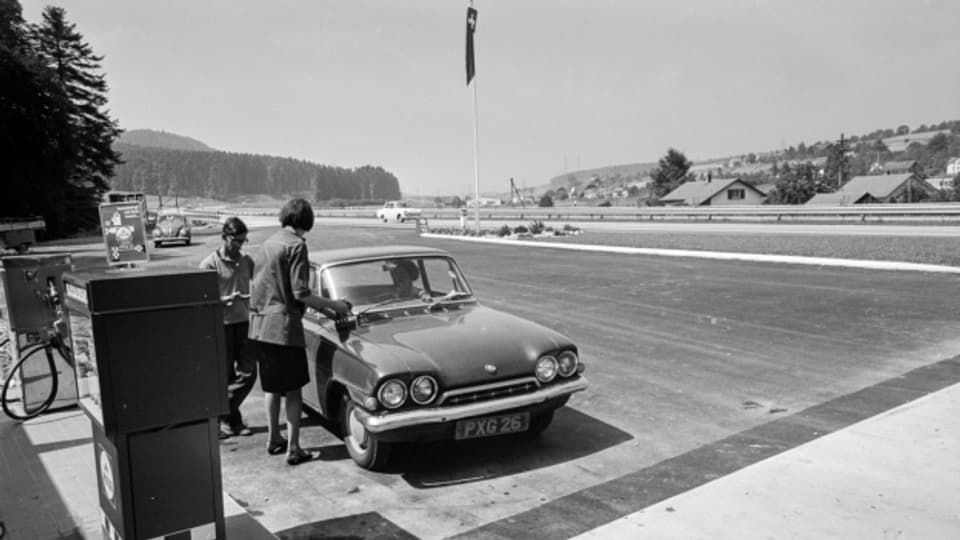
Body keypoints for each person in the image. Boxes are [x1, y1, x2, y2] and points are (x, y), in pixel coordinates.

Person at [248, 199, 352, 466]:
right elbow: (300, 292)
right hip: (284, 328)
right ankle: (293, 448)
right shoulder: (296, 246)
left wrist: (327, 311)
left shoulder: (267, 244)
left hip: (259, 327)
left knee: (272, 388)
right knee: (293, 391)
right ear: (306, 221)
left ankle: (274, 438)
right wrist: (335, 305)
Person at [199, 217, 256, 440]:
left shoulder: (246, 261)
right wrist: (224, 300)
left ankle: (220, 413)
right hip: (220, 326)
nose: (240, 245)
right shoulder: (209, 264)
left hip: (243, 323)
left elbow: (259, 282)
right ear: (225, 237)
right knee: (225, 375)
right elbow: (202, 300)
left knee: (249, 373)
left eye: (243, 241)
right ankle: (232, 421)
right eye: (237, 241)